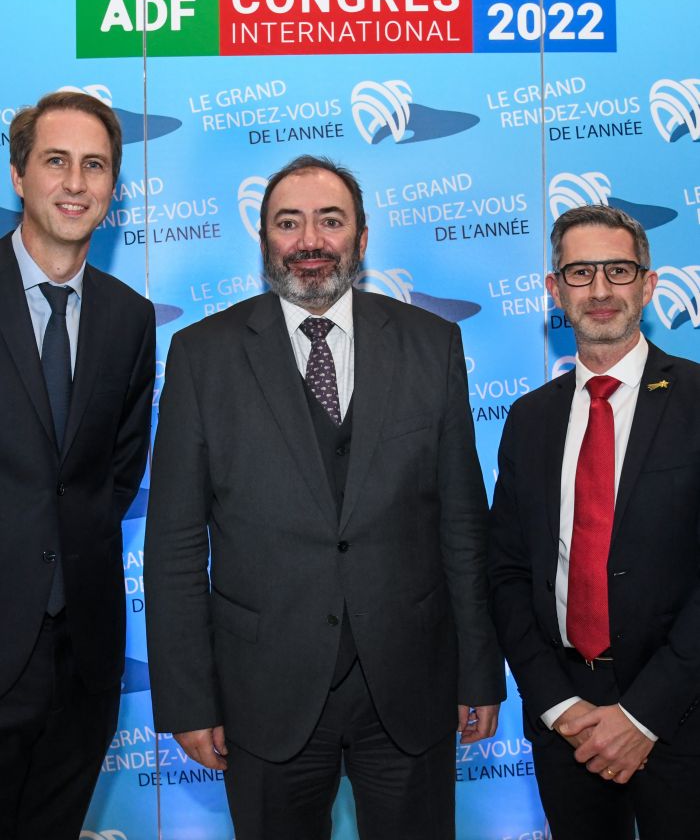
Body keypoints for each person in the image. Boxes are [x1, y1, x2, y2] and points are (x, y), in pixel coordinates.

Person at [145, 154, 505, 839]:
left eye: (330, 221)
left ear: (361, 238)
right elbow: (175, 545)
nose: (310, 240)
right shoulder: (201, 355)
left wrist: (479, 672)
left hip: (409, 687)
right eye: (289, 223)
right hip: (263, 693)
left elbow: (462, 523)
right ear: (263, 240)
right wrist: (189, 700)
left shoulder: (432, 344)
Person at [488, 204, 700, 840]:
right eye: (580, 273)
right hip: (567, 722)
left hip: (683, 713)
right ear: (554, 290)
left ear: (649, 284)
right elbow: (506, 573)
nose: (601, 289)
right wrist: (556, 703)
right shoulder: (529, 419)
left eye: (618, 270)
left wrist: (643, 716)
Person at [0, 91, 155, 839]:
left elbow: (113, 476)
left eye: (94, 166)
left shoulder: (130, 317)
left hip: (84, 656)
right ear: (18, 174)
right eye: (56, 161)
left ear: (112, 189)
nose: (74, 183)